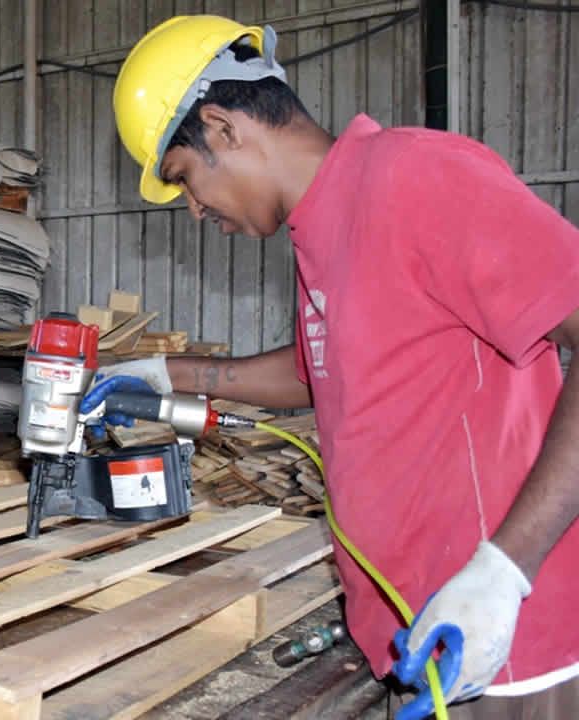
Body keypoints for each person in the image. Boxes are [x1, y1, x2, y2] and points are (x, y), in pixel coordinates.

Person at [90, 15, 579, 719]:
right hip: (416, 642)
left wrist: (507, 569)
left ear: (223, 128)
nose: (194, 209)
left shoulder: (413, 175)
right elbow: (325, 369)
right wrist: (171, 375)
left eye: (185, 178)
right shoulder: (321, 224)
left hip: (503, 648)